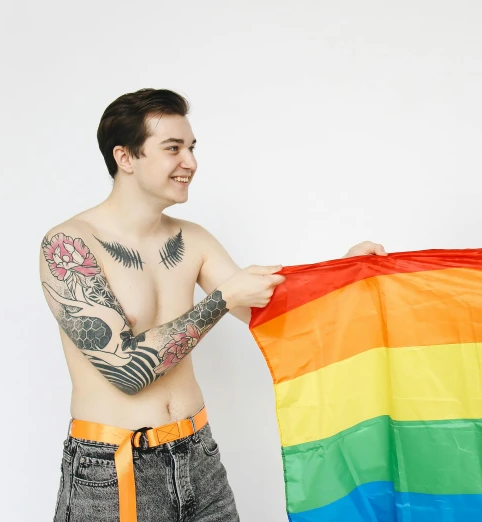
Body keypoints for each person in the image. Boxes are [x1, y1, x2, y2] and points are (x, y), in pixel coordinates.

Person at [40, 88, 385, 522]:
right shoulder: (69, 245)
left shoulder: (193, 238)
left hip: (197, 456)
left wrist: (343, 273)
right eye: (172, 149)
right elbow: (125, 371)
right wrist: (221, 300)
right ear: (125, 157)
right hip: (111, 469)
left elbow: (265, 308)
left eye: (191, 148)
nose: (190, 162)